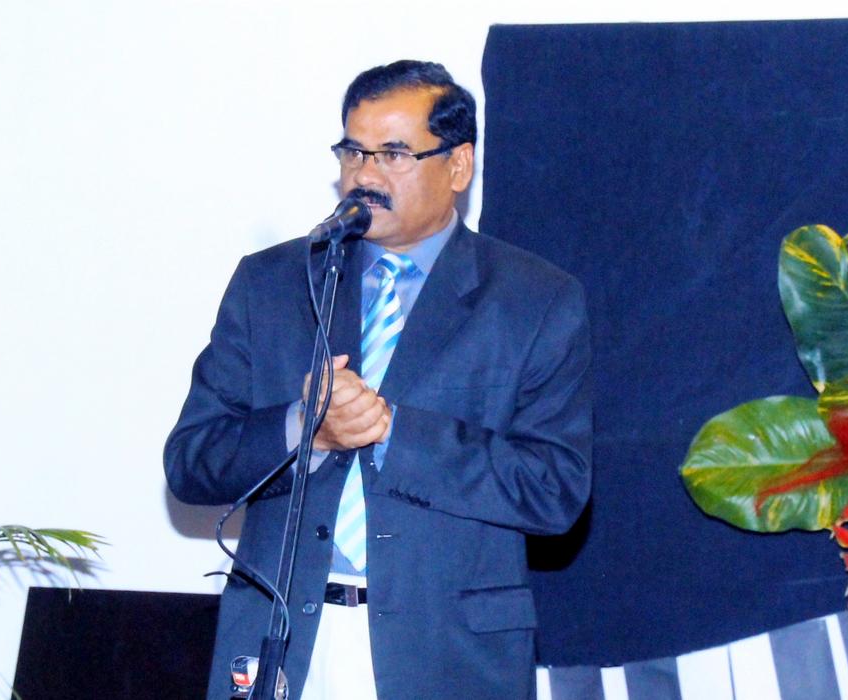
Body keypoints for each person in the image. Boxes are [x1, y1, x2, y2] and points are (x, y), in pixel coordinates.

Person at [164, 60, 592, 700]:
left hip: (447, 654)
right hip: (282, 644)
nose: (364, 175)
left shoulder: (535, 300)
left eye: (393, 154)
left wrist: (392, 431)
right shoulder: (273, 283)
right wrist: (304, 429)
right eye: (352, 151)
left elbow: (553, 491)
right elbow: (191, 462)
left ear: (459, 166)